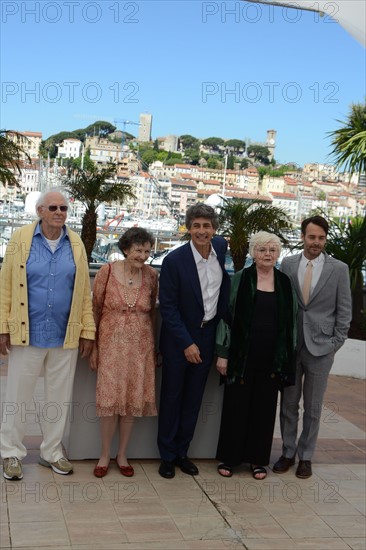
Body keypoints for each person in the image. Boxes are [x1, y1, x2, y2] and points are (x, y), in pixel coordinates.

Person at [0, 190, 95, 480]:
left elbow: (83, 294)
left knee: (58, 399)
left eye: (64, 208)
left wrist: (87, 330)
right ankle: (11, 454)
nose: (59, 212)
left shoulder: (76, 243)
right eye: (53, 207)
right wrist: (3, 327)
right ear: (40, 210)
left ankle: (51, 452)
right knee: (18, 397)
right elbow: (6, 285)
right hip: (26, 333)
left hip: (64, 334)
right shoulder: (21, 240)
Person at [274, 215, 352, 479]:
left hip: (321, 349)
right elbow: (282, 304)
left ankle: (305, 457)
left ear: (325, 239)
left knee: (314, 407)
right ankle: (287, 452)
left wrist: (334, 344)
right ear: (303, 237)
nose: (315, 242)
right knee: (288, 404)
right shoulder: (287, 264)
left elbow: (344, 312)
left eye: (320, 238)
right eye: (311, 237)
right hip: (292, 345)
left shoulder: (338, 269)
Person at [215, 231, 297, 479]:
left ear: (278, 254)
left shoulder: (284, 282)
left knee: (264, 409)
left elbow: (291, 321)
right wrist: (222, 353)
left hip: (272, 358)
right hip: (241, 357)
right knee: (236, 407)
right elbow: (226, 318)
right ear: (253, 253)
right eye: (262, 250)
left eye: (273, 250)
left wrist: (288, 357)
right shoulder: (241, 278)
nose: (268, 254)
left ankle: (257, 460)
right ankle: (230, 458)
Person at [157, 203, 230, 479]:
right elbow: (168, 308)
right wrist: (187, 343)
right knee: (172, 397)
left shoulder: (219, 250)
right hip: (179, 339)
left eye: (207, 226)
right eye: (197, 225)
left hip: (208, 335)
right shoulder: (174, 261)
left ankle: (181, 453)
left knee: (193, 399)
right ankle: (166, 456)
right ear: (189, 228)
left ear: (214, 229)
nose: (202, 231)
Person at [90, 227, 158, 478]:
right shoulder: (106, 272)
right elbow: (96, 309)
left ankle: (123, 454)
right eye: (138, 250)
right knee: (109, 402)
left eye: (147, 252)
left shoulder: (152, 276)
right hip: (110, 345)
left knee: (131, 401)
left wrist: (153, 348)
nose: (143, 256)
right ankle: (105, 454)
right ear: (126, 249)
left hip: (140, 347)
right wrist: (94, 346)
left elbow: (152, 312)